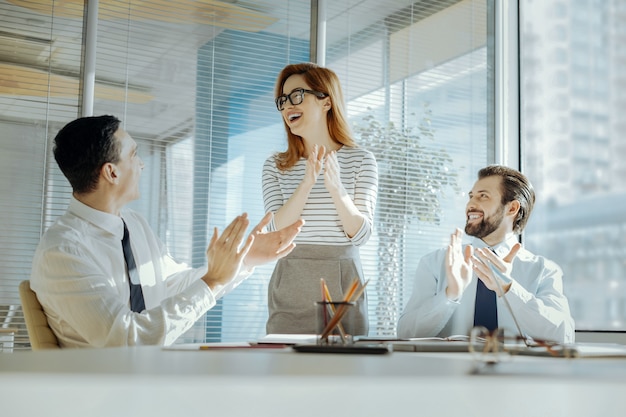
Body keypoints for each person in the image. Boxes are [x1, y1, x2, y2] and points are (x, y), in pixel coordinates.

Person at [30, 115, 304, 348]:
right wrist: (213, 282)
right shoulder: (63, 251)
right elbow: (128, 340)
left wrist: (242, 260)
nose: (141, 164)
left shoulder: (134, 224)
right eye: (134, 154)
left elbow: (173, 286)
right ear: (111, 173)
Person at [397, 165, 575, 344]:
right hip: (449, 370)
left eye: (483, 196)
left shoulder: (543, 270)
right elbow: (405, 333)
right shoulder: (435, 263)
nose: (470, 205)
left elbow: (564, 336)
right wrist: (449, 295)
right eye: (471, 196)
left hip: (517, 371)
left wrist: (509, 289)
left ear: (512, 208)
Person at [262, 62, 378, 335]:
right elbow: (276, 232)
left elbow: (360, 234)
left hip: (343, 278)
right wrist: (307, 183)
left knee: (344, 372)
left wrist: (336, 188)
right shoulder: (275, 165)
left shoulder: (362, 160)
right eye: (282, 100)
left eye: (297, 95)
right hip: (291, 277)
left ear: (326, 101)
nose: (287, 105)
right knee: (287, 371)